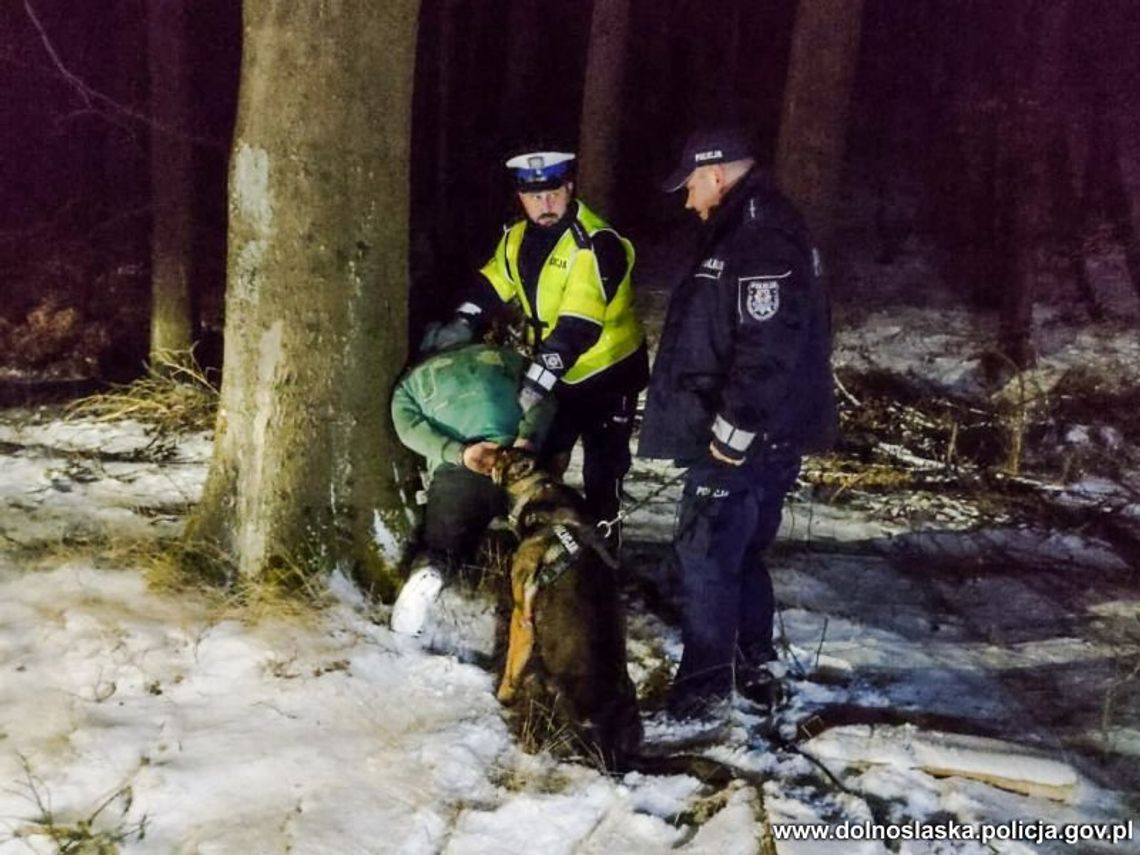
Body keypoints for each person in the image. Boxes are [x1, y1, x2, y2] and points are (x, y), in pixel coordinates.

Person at [637, 128, 837, 720]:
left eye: (691, 184)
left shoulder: (760, 231)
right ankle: (754, 661)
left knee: (706, 553)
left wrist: (734, 429)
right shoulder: (752, 225)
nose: (687, 198)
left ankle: (702, 691)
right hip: (757, 431)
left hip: (743, 437)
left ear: (717, 174)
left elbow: (769, 341)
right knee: (739, 551)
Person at [435, 149, 648, 536]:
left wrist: (537, 381)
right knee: (541, 463)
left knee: (604, 472)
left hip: (607, 374)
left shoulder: (596, 243)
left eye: (553, 193)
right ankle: (548, 548)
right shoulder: (516, 239)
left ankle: (603, 560)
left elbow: (578, 326)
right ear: (520, 198)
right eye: (534, 197)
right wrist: (464, 319)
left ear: (569, 188)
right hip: (557, 376)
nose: (544, 205)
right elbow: (492, 283)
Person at [389, 333, 555, 635]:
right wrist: (526, 439)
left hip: (461, 467)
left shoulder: (410, 383)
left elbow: (407, 428)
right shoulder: (510, 360)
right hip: (517, 465)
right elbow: (543, 396)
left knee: (444, 544)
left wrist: (458, 453)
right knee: (542, 530)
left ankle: (430, 574)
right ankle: (546, 590)